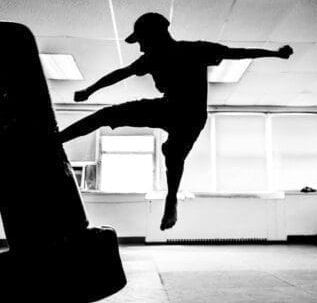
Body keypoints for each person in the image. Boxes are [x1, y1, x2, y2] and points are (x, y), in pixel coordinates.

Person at [59, 12, 293, 231]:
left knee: (172, 152)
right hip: (169, 108)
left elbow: (237, 53)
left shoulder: (195, 50)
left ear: (154, 34)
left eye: (141, 40)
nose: (140, 47)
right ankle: (58, 139)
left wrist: (275, 54)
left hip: (190, 116)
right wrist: (89, 90)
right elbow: (120, 73)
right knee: (108, 115)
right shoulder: (151, 58)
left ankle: (171, 202)